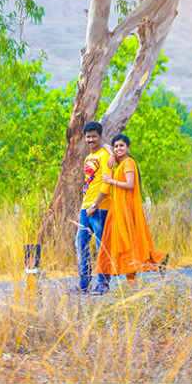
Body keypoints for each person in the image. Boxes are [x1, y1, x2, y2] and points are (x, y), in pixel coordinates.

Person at [96, 133, 166, 283]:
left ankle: (158, 260)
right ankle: (134, 280)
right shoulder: (120, 162)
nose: (118, 148)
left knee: (129, 243)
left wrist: (111, 181)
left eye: (122, 145)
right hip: (120, 208)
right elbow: (104, 144)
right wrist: (111, 154)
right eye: (116, 146)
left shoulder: (128, 163)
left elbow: (130, 184)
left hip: (127, 208)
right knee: (126, 245)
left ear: (128, 147)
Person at [72, 120, 113, 294]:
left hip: (99, 207)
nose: (90, 140)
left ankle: (103, 283)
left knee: (100, 246)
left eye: (94, 137)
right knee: (81, 245)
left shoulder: (104, 155)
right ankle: (84, 283)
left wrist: (95, 204)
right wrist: (85, 207)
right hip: (86, 208)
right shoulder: (89, 158)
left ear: (100, 137)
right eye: (88, 137)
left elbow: (106, 184)